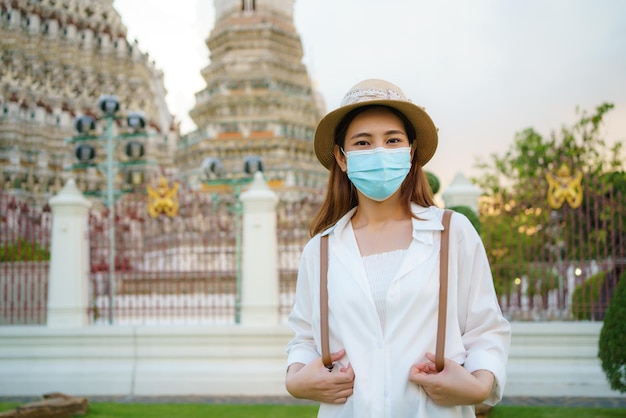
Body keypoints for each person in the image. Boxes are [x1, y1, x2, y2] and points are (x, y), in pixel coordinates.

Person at [285, 79, 511, 417]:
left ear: (410, 151)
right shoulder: (321, 250)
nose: (379, 152)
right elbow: (304, 338)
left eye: (392, 140)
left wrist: (480, 385)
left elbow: (485, 327)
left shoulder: (451, 233)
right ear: (341, 158)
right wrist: (296, 380)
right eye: (362, 143)